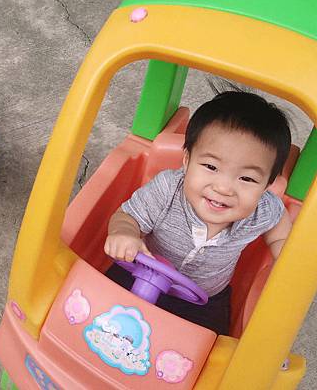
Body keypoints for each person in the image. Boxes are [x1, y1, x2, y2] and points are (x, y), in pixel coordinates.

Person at [104, 89, 293, 335]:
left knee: (209, 349)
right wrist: (124, 233)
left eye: (246, 178)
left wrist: (285, 256)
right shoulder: (167, 190)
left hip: (203, 299)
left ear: (267, 185)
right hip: (141, 274)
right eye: (211, 166)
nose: (223, 188)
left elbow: (279, 229)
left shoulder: (263, 210)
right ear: (187, 160)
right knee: (99, 315)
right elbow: (127, 216)